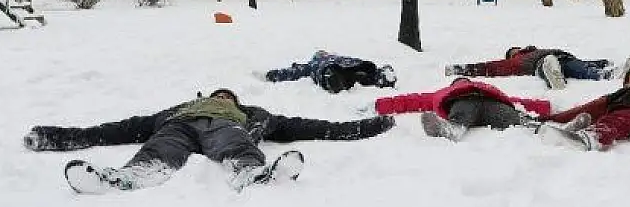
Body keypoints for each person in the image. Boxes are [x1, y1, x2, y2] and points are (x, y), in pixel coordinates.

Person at [24, 87, 396, 193]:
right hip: (181, 128)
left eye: (227, 97)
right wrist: (55, 138)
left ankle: (251, 175)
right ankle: (130, 177)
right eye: (218, 95)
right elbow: (117, 128)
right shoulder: (179, 109)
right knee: (160, 147)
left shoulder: (250, 116)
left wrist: (367, 127)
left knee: (237, 144)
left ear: (235, 101)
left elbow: (308, 126)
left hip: (225, 133)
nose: (222, 98)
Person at [373, 77, 553, 142]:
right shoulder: (451, 92)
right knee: (464, 110)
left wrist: (545, 107)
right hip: (464, 103)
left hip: (490, 103)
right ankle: (453, 128)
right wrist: (381, 104)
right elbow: (413, 100)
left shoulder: (479, 88)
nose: (462, 82)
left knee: (511, 115)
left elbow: (517, 101)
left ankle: (542, 129)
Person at [445, 46, 630, 90]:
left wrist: (602, 62)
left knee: (585, 69)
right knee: (547, 64)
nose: (517, 50)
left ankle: (615, 73)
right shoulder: (516, 61)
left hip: (563, 58)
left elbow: (584, 62)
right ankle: (553, 76)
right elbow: (489, 68)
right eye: (513, 51)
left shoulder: (539, 49)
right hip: (539, 64)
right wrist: (459, 69)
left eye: (516, 48)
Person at [262, 50, 397, 93]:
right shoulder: (336, 57)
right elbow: (352, 60)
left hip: (329, 70)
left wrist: (274, 75)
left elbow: (293, 72)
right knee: (361, 72)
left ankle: (333, 78)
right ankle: (380, 75)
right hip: (347, 65)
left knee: (350, 75)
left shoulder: (311, 65)